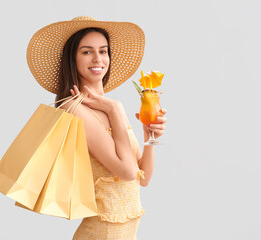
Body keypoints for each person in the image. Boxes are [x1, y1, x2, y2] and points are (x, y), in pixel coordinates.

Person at [27, 16, 167, 240]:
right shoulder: (76, 109)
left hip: (127, 231)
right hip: (102, 232)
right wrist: (116, 109)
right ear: (72, 58)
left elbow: (143, 178)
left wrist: (149, 137)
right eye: (86, 51)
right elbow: (127, 171)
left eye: (103, 51)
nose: (97, 58)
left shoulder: (107, 106)